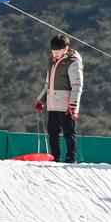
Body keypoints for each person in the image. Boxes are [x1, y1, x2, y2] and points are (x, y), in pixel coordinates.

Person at [35, 34, 83, 163]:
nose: (56, 54)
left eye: (59, 51)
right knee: (53, 132)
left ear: (66, 48)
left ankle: (71, 157)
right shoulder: (51, 61)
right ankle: (55, 157)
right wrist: (41, 100)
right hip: (52, 104)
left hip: (65, 105)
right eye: (53, 51)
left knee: (68, 132)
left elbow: (77, 86)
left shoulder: (73, 62)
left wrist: (73, 106)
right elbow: (47, 85)